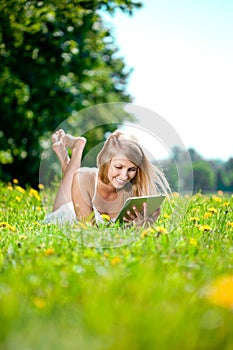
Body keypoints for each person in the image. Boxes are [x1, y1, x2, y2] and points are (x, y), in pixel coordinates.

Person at [44, 128, 171, 226]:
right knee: (75, 181)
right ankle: (78, 148)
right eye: (119, 167)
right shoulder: (84, 176)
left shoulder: (133, 191)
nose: (124, 176)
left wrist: (141, 228)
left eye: (131, 169)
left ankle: (66, 157)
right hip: (67, 213)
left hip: (84, 195)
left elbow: (119, 230)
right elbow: (90, 231)